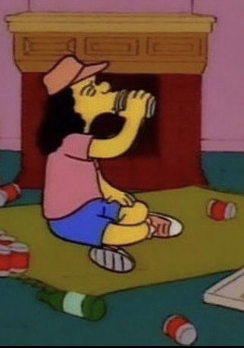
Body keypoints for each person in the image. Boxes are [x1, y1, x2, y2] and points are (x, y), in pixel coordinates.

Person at [37, 55, 183, 273]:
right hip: (69, 220)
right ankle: (144, 231)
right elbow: (115, 147)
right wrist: (134, 117)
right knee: (133, 232)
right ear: (69, 108)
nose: (104, 87)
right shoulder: (70, 141)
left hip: (94, 206)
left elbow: (91, 175)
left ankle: (136, 226)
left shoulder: (82, 140)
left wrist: (111, 191)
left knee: (138, 210)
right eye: (91, 90)